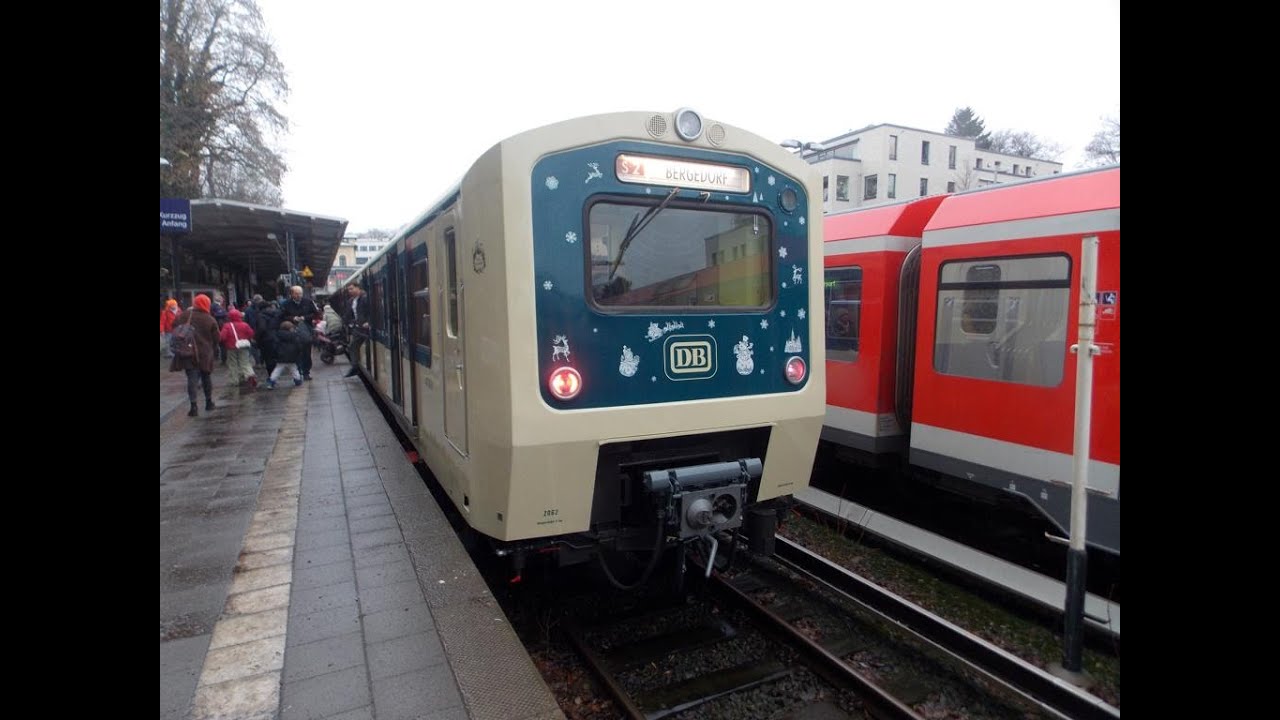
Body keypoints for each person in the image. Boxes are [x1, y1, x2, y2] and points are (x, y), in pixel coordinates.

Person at [170, 294, 221, 416]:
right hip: (205, 353)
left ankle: (193, 406)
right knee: (206, 377)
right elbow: (217, 338)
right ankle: (209, 402)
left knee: (191, 379)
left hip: (188, 353)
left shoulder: (184, 315)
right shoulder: (209, 319)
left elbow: (174, 326)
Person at [280, 285, 320, 381]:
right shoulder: (286, 304)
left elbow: (316, 314)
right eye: (296, 294)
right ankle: (298, 372)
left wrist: (305, 318)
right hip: (292, 331)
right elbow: (282, 316)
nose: (299, 296)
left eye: (300, 293)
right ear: (291, 294)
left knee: (306, 350)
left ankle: (306, 372)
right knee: (296, 351)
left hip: (306, 329)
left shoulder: (308, 302)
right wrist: (293, 318)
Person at [219, 308, 257, 388]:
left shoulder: (227, 326)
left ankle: (234, 380)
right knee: (245, 362)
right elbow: (251, 333)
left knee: (233, 364)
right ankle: (250, 374)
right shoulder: (245, 324)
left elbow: (222, 337)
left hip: (231, 347)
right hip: (243, 346)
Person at [268, 320, 305, 389]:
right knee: (294, 369)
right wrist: (298, 353)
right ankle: (297, 380)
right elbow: (298, 345)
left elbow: (275, 346)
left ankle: (271, 381)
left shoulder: (277, 335)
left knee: (278, 369)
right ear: (290, 328)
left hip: (281, 356)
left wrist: (275, 354)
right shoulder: (294, 335)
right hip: (292, 356)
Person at [343, 285, 371, 378]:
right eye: (349, 290)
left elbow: (373, 311)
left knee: (355, 346)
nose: (350, 291)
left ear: (358, 288)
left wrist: (368, 321)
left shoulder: (365, 298)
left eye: (352, 288)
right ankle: (355, 367)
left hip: (365, 328)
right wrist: (351, 323)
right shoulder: (350, 301)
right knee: (352, 347)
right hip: (357, 328)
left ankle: (355, 367)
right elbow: (347, 315)